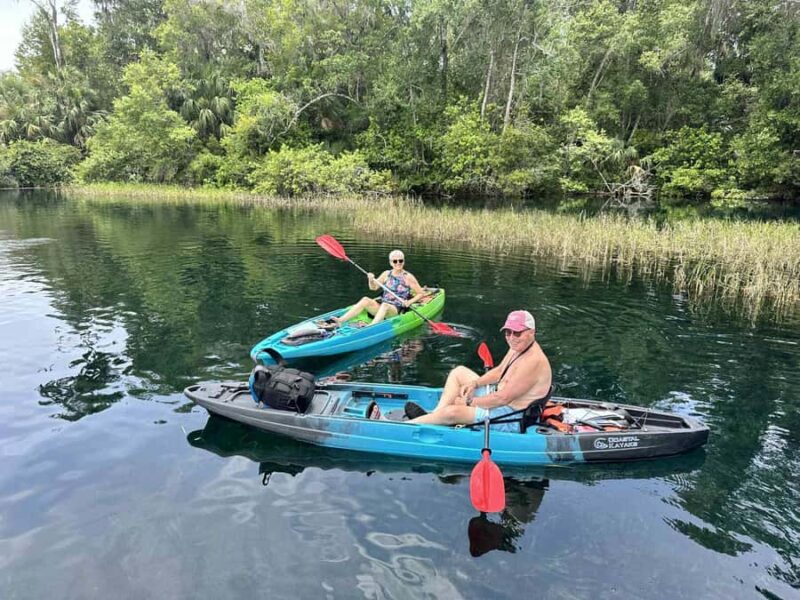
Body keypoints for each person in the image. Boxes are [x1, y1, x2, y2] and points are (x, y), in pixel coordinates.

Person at [406, 310, 552, 432]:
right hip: (499, 398)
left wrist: (468, 402)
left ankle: (406, 427)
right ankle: (435, 415)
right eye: (508, 332)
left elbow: (503, 399)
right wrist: (475, 384)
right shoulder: (518, 347)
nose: (512, 337)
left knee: (453, 411)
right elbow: (499, 371)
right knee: (459, 372)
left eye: (517, 333)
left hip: (511, 416)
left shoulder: (533, 361)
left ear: (532, 332)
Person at [330, 249, 428, 327]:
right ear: (391, 263)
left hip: (395, 309)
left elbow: (420, 293)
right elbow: (373, 288)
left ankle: (371, 327)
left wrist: (409, 302)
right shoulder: (386, 274)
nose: (398, 263)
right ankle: (340, 320)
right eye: (395, 261)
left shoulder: (408, 276)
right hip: (382, 306)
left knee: (385, 305)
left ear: (403, 261)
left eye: (400, 260)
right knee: (365, 299)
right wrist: (371, 280)